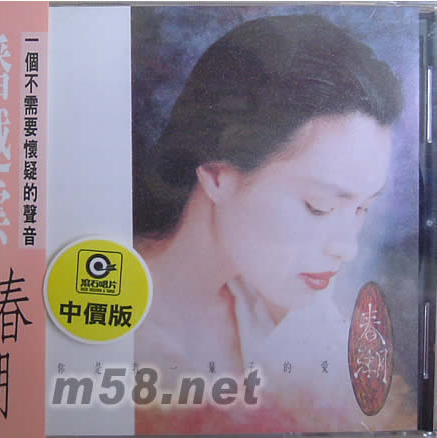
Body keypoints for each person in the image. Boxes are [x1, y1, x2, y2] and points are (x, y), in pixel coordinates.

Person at [133, 14, 414, 433]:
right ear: (218, 176)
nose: (347, 247)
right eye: (319, 206)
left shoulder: (288, 313)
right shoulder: (119, 334)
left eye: (361, 209)